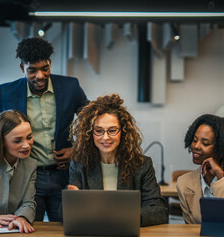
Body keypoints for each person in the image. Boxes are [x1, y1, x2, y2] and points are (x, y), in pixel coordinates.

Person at [0, 37, 88, 221]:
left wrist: (77, 149)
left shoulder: (71, 87)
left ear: (50, 63)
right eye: (32, 70)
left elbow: (93, 124)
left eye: (44, 68)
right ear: (22, 68)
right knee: (27, 228)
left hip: (64, 176)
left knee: (66, 228)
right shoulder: (6, 93)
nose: (39, 75)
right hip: (25, 178)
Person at [68, 94, 168, 226]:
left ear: (123, 131)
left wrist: (121, 218)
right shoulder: (79, 164)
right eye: (98, 131)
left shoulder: (142, 165)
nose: (105, 137)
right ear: (90, 133)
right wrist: (72, 204)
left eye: (112, 130)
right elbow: (63, 213)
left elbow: (159, 211)